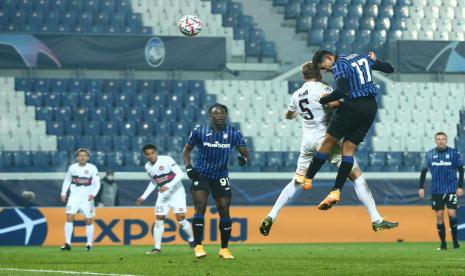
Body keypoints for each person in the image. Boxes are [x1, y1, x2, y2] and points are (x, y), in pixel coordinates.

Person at [260, 62, 398, 236]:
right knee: (356, 176)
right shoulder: (323, 88)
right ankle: (376, 219)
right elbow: (333, 103)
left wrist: (297, 113)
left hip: (307, 142)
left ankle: (271, 215)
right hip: (325, 141)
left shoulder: (296, 94)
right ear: (320, 74)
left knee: (297, 181)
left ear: (303, 77)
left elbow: (288, 115)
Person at [301, 50, 394, 210]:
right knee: (348, 151)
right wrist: (376, 60)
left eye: (324, 67)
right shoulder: (362, 56)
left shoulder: (339, 65)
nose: (325, 71)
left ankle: (308, 177)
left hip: (352, 107)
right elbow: (389, 69)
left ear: (329, 58)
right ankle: (336, 190)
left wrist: (324, 99)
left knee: (328, 143)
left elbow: (342, 91)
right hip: (370, 108)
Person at [182, 103, 250, 259]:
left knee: (224, 210)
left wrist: (244, 160)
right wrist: (188, 167)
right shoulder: (199, 131)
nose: (219, 116)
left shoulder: (233, 133)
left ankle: (224, 249)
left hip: (221, 176)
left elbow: (245, 154)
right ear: (210, 115)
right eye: (215, 113)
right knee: (200, 207)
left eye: (222, 113)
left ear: (226, 115)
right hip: (201, 175)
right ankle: (198, 246)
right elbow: (186, 150)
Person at [136, 144, 195, 254]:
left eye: (152, 153)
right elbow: (154, 182)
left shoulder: (166, 159)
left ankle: (192, 240)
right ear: (145, 155)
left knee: (181, 220)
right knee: (159, 219)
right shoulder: (147, 167)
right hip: (163, 196)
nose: (150, 156)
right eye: (147, 154)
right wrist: (143, 196)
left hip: (177, 193)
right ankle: (157, 248)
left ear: (156, 152)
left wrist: (169, 185)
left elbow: (180, 174)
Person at [419, 132, 464, 250]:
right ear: (435, 141)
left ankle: (455, 242)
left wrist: (460, 187)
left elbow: (461, 170)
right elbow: (423, 171)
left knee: (451, 213)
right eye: (438, 139)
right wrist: (421, 187)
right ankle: (443, 244)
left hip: (451, 189)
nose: (441, 141)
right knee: (439, 215)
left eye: (443, 139)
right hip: (436, 190)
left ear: (446, 140)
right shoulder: (430, 154)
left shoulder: (454, 153)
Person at [60, 148, 101, 251]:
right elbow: (67, 180)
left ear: (88, 157)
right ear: (77, 157)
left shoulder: (92, 168)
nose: (82, 157)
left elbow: (97, 183)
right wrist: (63, 193)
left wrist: (93, 194)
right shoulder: (72, 168)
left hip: (87, 198)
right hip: (74, 197)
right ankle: (68, 243)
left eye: (84, 155)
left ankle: (89, 244)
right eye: (80, 155)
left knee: (88, 220)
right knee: (69, 216)